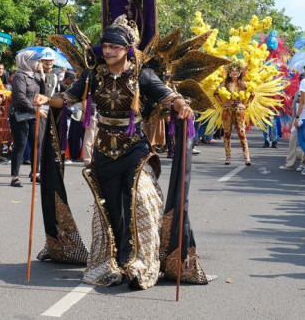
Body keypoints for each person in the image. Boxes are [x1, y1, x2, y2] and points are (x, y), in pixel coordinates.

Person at [36, 16, 199, 289]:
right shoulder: (93, 76)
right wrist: (46, 100)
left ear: (128, 50)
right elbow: (67, 99)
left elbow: (168, 96)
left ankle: (143, 264)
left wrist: (182, 105)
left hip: (135, 148)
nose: (109, 51)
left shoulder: (142, 75)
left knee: (144, 199)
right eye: (106, 46)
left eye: (115, 47)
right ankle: (113, 261)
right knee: (110, 209)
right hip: (103, 150)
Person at [8, 50, 42, 187]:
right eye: (35, 60)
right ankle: (14, 177)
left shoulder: (35, 76)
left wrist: (42, 75)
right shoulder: (19, 76)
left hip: (33, 114)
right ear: (26, 61)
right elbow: (21, 97)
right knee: (20, 145)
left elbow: (43, 92)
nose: (37, 63)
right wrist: (35, 109)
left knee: (36, 144)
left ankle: (35, 174)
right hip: (19, 114)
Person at [214, 61, 252, 166]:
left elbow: (252, 94)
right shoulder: (225, 83)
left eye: (237, 71)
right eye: (232, 71)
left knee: (241, 133)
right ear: (229, 72)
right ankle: (228, 157)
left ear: (240, 72)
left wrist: (246, 105)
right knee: (227, 134)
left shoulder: (244, 83)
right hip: (227, 110)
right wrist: (222, 103)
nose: (235, 73)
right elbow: (215, 93)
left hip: (239, 111)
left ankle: (247, 157)